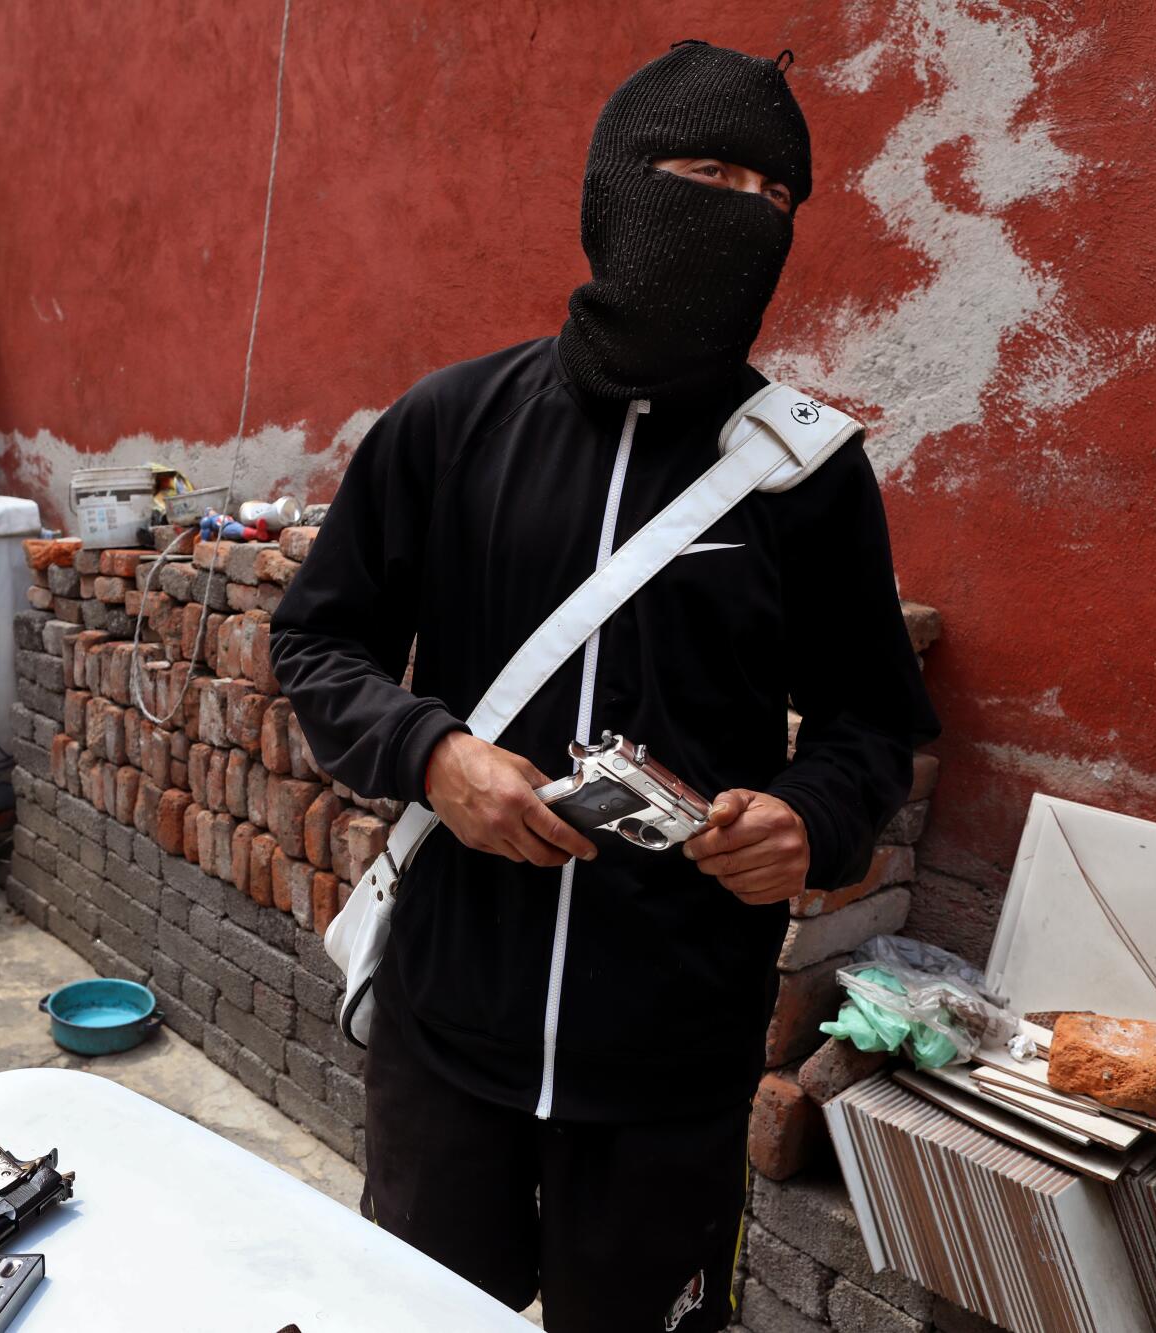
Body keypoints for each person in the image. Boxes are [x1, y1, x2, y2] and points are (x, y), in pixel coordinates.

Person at [269, 39, 941, 1333]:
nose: (739, 211)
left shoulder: (804, 475)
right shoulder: (450, 423)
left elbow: (874, 725)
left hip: (672, 1072)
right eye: (705, 171)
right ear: (617, 188)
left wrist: (813, 818)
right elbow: (317, 642)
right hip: (448, 1037)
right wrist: (430, 752)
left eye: (772, 196)